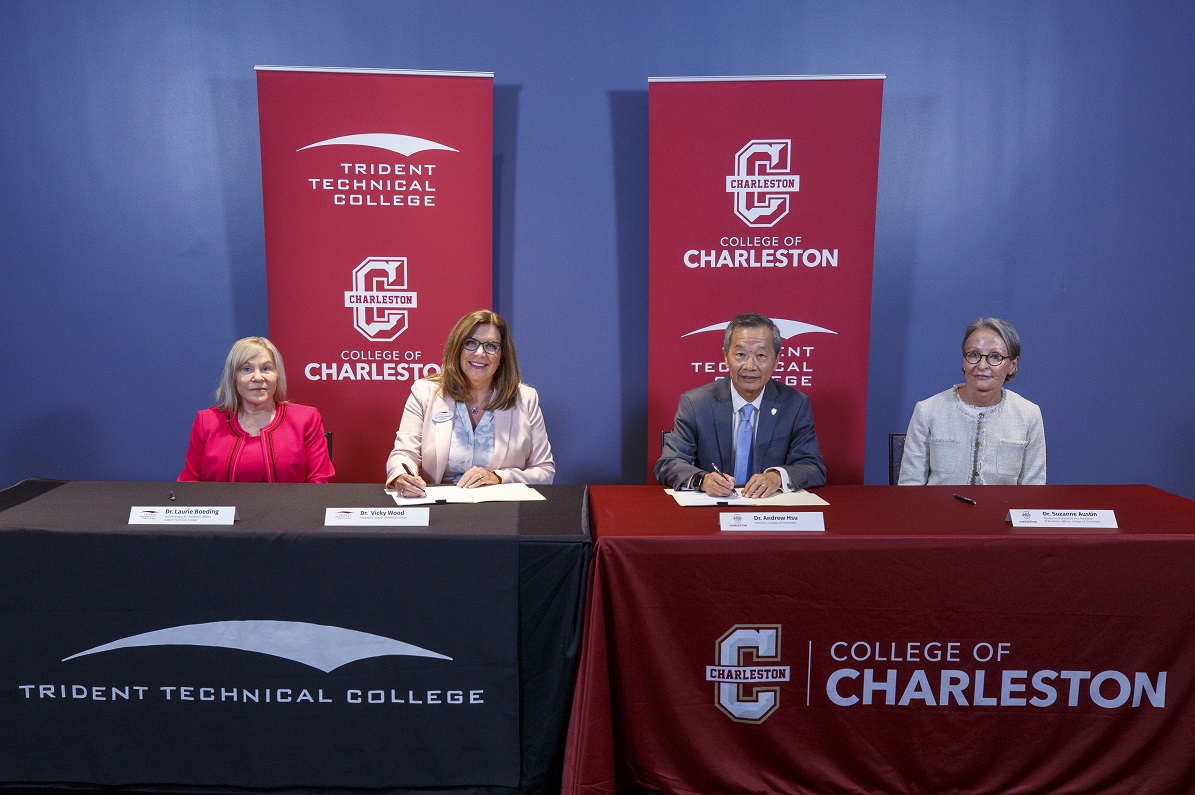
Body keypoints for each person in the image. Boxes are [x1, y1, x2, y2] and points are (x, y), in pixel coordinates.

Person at [654, 313, 826, 498]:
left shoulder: (795, 404)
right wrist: (702, 480)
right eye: (741, 355)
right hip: (711, 507)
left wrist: (776, 477)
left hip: (767, 510)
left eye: (761, 355)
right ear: (726, 357)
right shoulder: (696, 403)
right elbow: (669, 463)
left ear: (776, 360)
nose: (750, 366)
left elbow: (813, 467)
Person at [386, 310, 555, 495]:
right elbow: (403, 454)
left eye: (491, 346)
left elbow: (544, 471)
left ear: (502, 356)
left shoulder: (525, 398)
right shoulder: (425, 392)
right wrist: (401, 476)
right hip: (440, 508)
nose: (480, 353)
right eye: (470, 343)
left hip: (500, 510)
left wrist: (498, 478)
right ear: (457, 349)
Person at [899, 317, 1045, 485]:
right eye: (974, 355)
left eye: (995, 357)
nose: (982, 365)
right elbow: (909, 487)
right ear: (964, 360)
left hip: (1002, 511)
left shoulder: (1029, 415)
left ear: (1012, 364)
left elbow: (1033, 491)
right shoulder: (927, 411)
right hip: (941, 511)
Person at [179, 337, 334, 483]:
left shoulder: (306, 418)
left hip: (289, 511)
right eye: (247, 369)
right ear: (234, 378)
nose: (258, 377)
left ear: (277, 375)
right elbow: (190, 484)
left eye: (266, 368)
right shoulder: (207, 421)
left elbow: (320, 483)